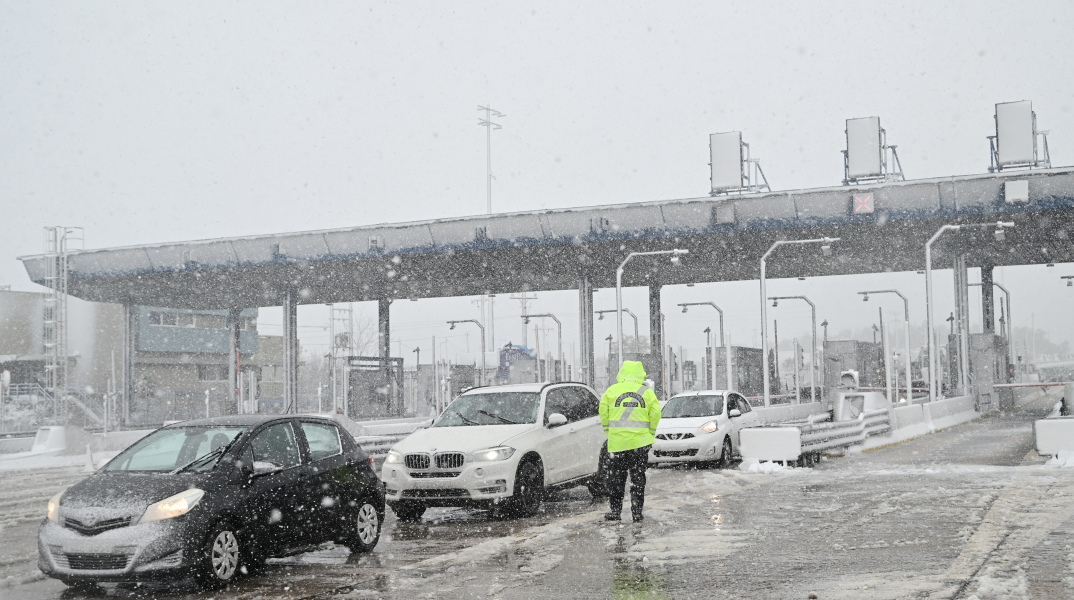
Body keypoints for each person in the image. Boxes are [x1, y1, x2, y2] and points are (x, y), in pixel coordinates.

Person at [599, 360, 661, 522]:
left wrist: (608, 430)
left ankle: (615, 511)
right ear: (640, 374)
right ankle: (637, 512)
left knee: (616, 480)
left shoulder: (612, 391)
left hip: (617, 445)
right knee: (638, 480)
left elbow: (603, 411)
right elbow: (655, 413)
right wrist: (650, 433)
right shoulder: (646, 392)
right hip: (639, 444)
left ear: (622, 373)